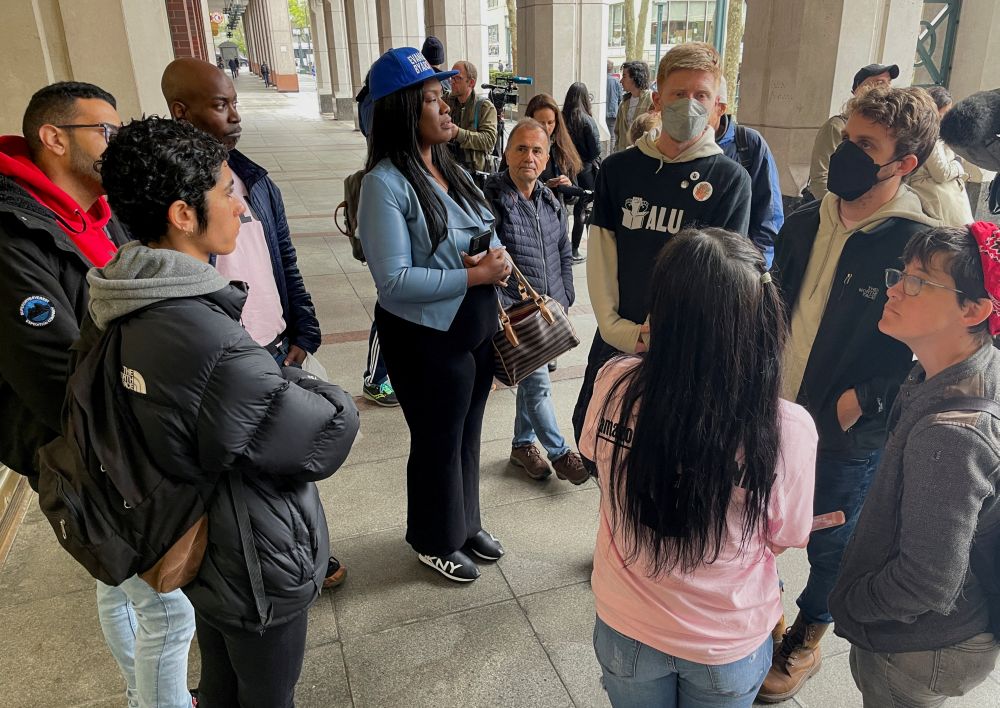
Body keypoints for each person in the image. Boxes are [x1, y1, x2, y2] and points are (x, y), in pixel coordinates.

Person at [95, 116, 360, 708]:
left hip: (203, 541)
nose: (240, 208)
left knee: (220, 679)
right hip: (249, 554)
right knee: (268, 692)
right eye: (225, 193)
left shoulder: (125, 293)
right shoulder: (204, 338)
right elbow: (326, 434)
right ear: (183, 214)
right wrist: (296, 379)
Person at [0, 82, 195, 708]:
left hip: (112, 433)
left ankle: (142, 696)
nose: (115, 146)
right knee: (167, 613)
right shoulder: (15, 231)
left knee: (118, 588)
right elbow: (53, 372)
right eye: (102, 133)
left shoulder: (94, 212)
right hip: (80, 445)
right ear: (54, 139)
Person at [581, 227, 817, 708]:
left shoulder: (613, 384)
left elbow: (599, 466)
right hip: (725, 642)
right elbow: (785, 535)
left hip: (626, 624)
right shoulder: (786, 427)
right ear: (761, 322)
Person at [758, 85, 942, 703]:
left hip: (845, 431)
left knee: (834, 539)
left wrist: (867, 399)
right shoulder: (806, 219)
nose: (847, 153)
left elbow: (936, 347)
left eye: (867, 146)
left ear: (904, 163)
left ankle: (809, 632)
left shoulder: (919, 245)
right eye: (846, 138)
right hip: (772, 411)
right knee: (755, 517)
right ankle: (760, 612)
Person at [160, 58, 349, 587]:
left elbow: (283, 259)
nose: (235, 115)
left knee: (293, 457)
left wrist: (302, 330)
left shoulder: (254, 181)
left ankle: (309, 549)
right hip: (220, 356)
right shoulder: (170, 199)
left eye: (235, 102)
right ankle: (251, 566)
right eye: (221, 105)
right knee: (240, 471)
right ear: (182, 111)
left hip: (273, 346)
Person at [826, 222, 1000, 707]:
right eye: (902, 273)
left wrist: (853, 604)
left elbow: (928, 581)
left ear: (975, 309)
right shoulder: (951, 369)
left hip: (919, 650)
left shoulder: (951, 434)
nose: (895, 288)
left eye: (919, 280)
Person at [358, 47, 511, 583]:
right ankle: (432, 537)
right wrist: (474, 275)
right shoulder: (384, 184)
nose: (446, 107)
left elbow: (467, 235)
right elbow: (394, 281)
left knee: (467, 436)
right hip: (426, 342)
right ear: (402, 110)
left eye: (443, 95)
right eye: (431, 99)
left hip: (473, 333)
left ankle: (465, 524)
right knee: (436, 444)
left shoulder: (447, 167)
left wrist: (489, 260)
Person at [572, 42, 752, 447]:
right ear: (658, 99)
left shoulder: (730, 180)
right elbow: (601, 255)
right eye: (679, 94)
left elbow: (721, 281)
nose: (689, 104)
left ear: (718, 107)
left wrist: (663, 336)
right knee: (598, 446)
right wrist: (618, 329)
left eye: (701, 95)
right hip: (617, 343)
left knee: (665, 457)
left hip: (681, 352)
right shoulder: (619, 170)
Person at [483, 118, 588, 485]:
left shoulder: (550, 199)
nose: (529, 157)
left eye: (537, 150)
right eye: (521, 148)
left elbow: (563, 253)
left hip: (546, 310)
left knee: (533, 380)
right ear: (507, 153)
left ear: (546, 159)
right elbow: (486, 256)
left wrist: (565, 297)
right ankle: (560, 452)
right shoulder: (492, 198)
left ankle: (521, 444)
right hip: (514, 313)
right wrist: (499, 304)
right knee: (538, 381)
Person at [712, 76, 783, 267]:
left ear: (721, 106)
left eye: (701, 95)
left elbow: (769, 217)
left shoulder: (748, 144)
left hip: (735, 269)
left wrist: (755, 269)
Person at [804, 63, 898, 202]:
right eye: (879, 83)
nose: (886, 89)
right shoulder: (836, 126)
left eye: (888, 83)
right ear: (858, 89)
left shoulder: (890, 131)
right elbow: (820, 177)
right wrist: (839, 210)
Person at [907, 86, 973, 226]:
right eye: (946, 112)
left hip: (939, 198)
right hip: (938, 199)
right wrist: (958, 164)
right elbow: (941, 173)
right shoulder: (931, 134)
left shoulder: (924, 131)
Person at [562, 82, 601, 262]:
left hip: (567, 169)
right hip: (585, 170)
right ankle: (578, 249)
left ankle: (567, 248)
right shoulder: (586, 120)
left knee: (565, 209)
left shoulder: (562, 118)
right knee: (584, 209)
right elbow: (595, 151)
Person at [445, 60, 498, 172]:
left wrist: (458, 133)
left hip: (474, 172)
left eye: (458, 78)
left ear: (471, 83)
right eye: (451, 78)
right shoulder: (446, 101)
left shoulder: (484, 106)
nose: (452, 82)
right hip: (449, 167)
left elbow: (489, 140)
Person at [613, 61, 653, 151]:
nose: (621, 81)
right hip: (623, 155)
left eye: (624, 76)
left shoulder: (651, 100)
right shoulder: (623, 103)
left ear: (635, 78)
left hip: (642, 155)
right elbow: (617, 132)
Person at [606, 60, 624, 152]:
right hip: (613, 111)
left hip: (603, 111)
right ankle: (610, 154)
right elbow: (620, 97)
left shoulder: (601, 80)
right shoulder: (615, 81)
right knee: (612, 136)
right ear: (611, 69)